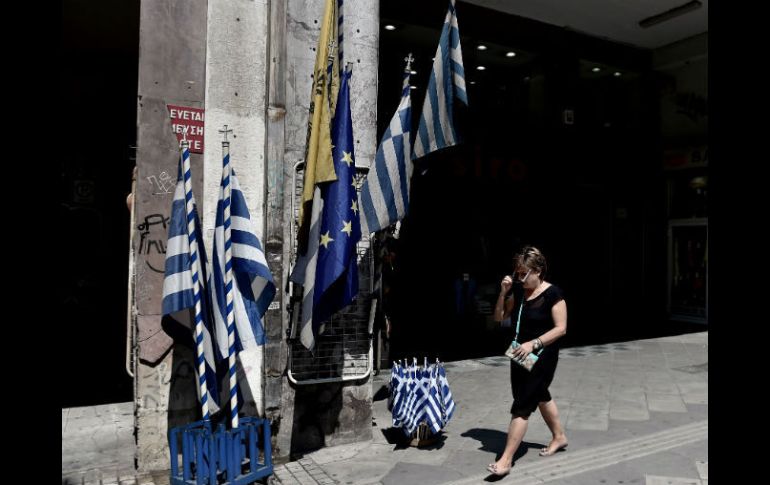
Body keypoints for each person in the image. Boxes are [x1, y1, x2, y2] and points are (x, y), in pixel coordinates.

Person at [487, 245, 569, 477]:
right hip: (519, 353)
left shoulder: (554, 294)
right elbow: (499, 317)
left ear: (539, 271)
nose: (520, 278)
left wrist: (534, 344)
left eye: (524, 273)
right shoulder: (521, 293)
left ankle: (505, 460)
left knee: (522, 405)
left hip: (541, 355)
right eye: (518, 273)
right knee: (539, 394)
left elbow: (561, 329)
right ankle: (559, 437)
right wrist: (503, 293)